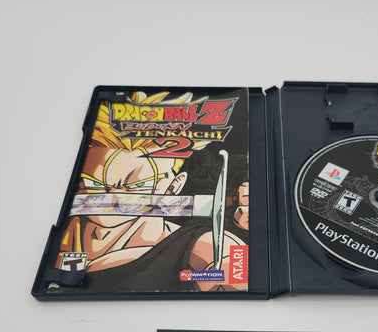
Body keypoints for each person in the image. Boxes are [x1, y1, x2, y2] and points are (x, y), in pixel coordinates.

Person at [56, 92, 249, 292]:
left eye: (134, 185)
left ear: (173, 185)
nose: (113, 196)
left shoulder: (201, 245)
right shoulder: (66, 234)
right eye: (95, 181)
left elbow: (237, 276)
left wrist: (194, 275)